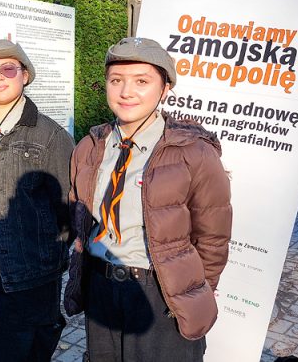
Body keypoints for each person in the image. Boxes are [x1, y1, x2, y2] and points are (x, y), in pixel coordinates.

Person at [63, 37, 233, 362]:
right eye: (117, 81)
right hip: (101, 286)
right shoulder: (89, 147)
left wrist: (192, 291)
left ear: (165, 88)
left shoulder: (194, 153)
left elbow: (213, 237)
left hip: (161, 294)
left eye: (142, 81)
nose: (127, 92)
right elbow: (80, 215)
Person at [0, 39, 73, 361]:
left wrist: (46, 255)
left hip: (27, 257)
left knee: (21, 348)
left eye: (8, 68)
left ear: (25, 76)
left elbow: (67, 208)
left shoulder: (50, 135)